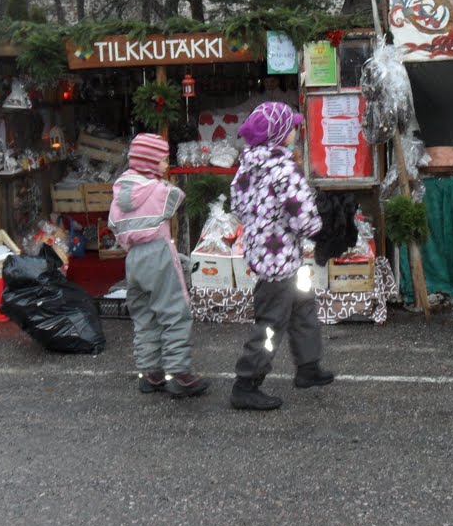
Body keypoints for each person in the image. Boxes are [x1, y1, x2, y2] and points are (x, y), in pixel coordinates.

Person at [228, 102, 334, 411]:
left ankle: (308, 367)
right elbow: (301, 212)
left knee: (303, 305)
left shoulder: (247, 165)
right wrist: (316, 229)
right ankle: (246, 383)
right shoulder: (284, 167)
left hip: (267, 253)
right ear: (278, 134)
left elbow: (237, 206)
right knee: (272, 322)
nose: (294, 132)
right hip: (282, 259)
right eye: (291, 128)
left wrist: (262, 222)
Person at [108, 133, 209, 398]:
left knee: (144, 316)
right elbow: (176, 198)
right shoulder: (159, 190)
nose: (166, 165)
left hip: (133, 259)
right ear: (150, 162)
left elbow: (114, 226)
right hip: (159, 254)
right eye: (163, 160)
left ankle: (150, 373)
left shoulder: (121, 189)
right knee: (175, 312)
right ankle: (180, 374)